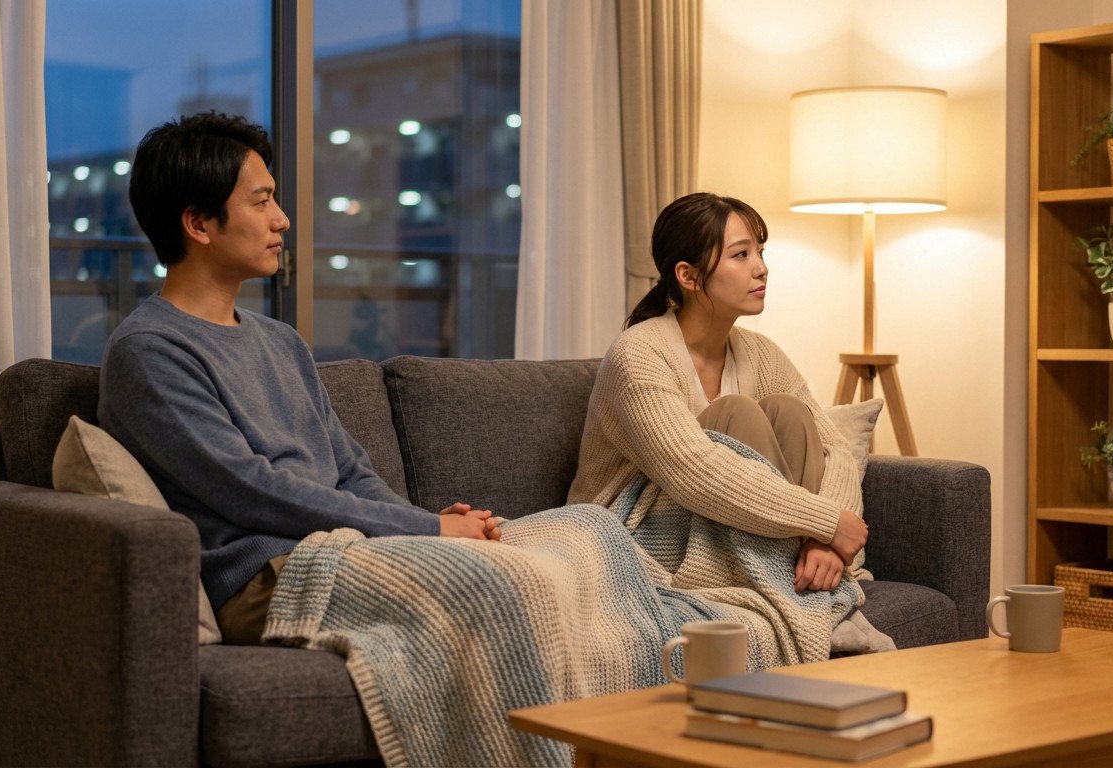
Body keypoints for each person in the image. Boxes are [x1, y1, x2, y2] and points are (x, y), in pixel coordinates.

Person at [99, 112, 500, 645]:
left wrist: (421, 523)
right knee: (497, 584)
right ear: (198, 224)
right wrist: (428, 533)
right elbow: (250, 491)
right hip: (268, 576)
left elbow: (351, 470)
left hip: (341, 549)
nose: (282, 219)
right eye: (261, 202)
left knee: (576, 535)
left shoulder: (281, 341)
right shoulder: (151, 351)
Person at [568, 192, 869, 594]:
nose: (762, 269)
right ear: (688, 276)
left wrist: (823, 542)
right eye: (741, 255)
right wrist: (826, 521)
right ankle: (794, 585)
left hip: (737, 533)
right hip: (632, 537)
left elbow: (836, 450)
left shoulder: (762, 354)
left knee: (789, 411)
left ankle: (802, 572)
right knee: (736, 413)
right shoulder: (638, 354)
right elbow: (695, 470)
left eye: (760, 252)